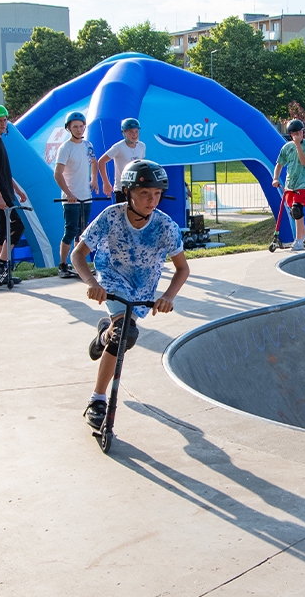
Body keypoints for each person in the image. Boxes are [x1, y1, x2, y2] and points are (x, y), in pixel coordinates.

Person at [72, 159, 190, 429]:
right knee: (126, 333)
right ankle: (97, 399)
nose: (152, 200)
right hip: (111, 281)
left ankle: (104, 334)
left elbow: (182, 268)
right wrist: (92, 282)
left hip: (142, 289)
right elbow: (78, 254)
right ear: (128, 193)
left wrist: (169, 296)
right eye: (145, 194)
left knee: (120, 335)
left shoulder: (165, 226)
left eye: (157, 194)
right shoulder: (111, 217)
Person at [0, 104, 29, 285]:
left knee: (3, 229)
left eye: (5, 120)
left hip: (6, 192)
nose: (3, 123)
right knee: (17, 227)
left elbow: (4, 172)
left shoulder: (0, 140)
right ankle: (1, 266)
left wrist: (17, 189)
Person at [55, 111, 98, 277]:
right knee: (70, 231)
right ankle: (62, 265)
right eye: (75, 127)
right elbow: (58, 173)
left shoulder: (88, 145)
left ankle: (80, 264)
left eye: (81, 126)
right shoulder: (65, 148)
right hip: (71, 198)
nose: (79, 130)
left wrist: (94, 179)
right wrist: (68, 193)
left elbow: (94, 161)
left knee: (83, 232)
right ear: (69, 129)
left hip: (86, 196)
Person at [272, 118, 305, 250]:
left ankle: (298, 240)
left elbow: (304, 162)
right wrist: (275, 178)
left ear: (303, 132)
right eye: (294, 133)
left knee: (297, 209)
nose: (297, 135)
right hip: (290, 184)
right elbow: (279, 164)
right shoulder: (286, 147)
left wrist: (298, 145)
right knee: (294, 212)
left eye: (299, 132)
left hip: (303, 183)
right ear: (291, 134)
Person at [98, 117, 146, 204]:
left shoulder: (141, 146)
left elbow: (141, 165)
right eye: (130, 132)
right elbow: (101, 161)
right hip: (122, 189)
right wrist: (106, 183)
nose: (134, 135)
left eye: (136, 131)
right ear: (124, 133)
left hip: (136, 189)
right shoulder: (118, 147)